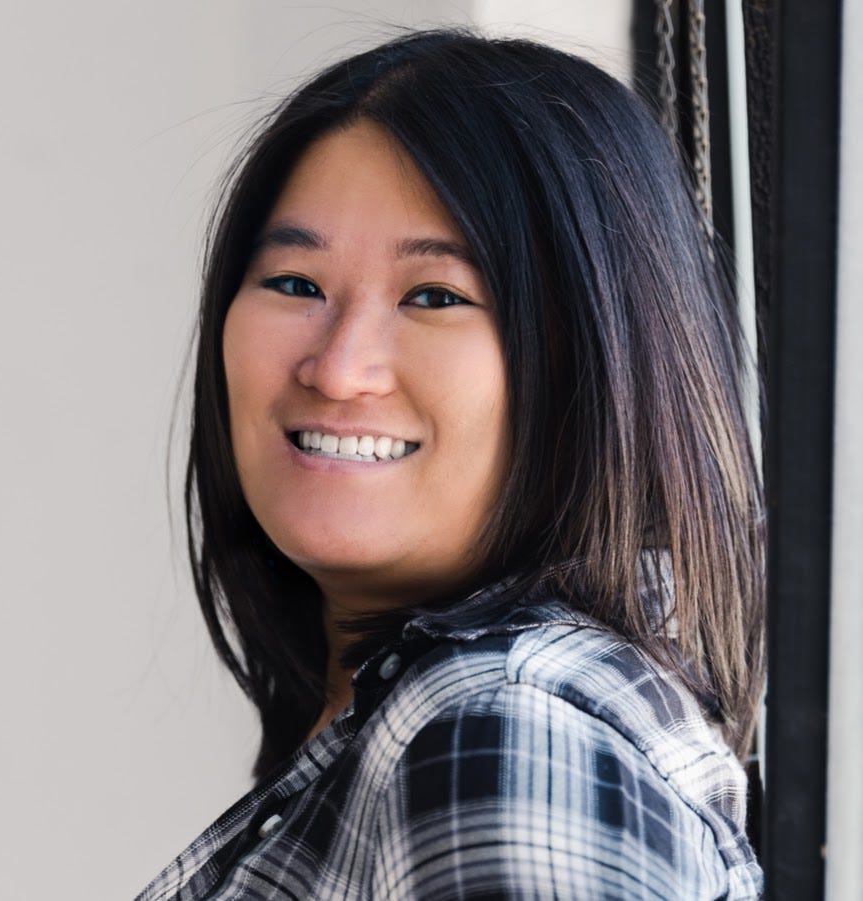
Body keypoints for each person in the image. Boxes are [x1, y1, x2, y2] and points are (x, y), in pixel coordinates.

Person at [138, 29, 765, 900]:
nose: (338, 366)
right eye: (294, 282)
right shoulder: (412, 723)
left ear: (595, 362)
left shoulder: (502, 736)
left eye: (434, 296)